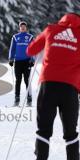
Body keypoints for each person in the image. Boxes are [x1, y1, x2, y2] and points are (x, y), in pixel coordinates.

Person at [27, 13, 80, 160]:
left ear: (62, 20)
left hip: (48, 85)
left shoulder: (51, 29)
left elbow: (31, 50)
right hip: (70, 88)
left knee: (43, 130)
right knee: (71, 132)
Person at [8, 21, 35, 106]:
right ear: (19, 28)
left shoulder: (30, 37)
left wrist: (32, 60)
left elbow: (33, 49)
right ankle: (17, 100)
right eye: (21, 27)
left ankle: (29, 99)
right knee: (18, 80)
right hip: (18, 61)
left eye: (24, 26)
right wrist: (11, 59)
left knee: (27, 80)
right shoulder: (15, 37)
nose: (22, 28)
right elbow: (12, 49)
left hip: (27, 61)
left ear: (26, 28)